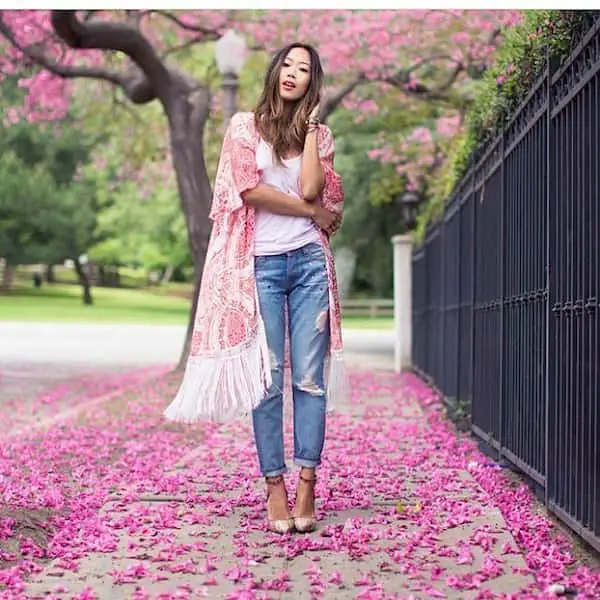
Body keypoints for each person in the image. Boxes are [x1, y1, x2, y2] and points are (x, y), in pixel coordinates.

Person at [164, 42, 348, 535]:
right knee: (266, 381)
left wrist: (310, 129)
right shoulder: (245, 127)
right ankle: (275, 486)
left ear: (313, 82)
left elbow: (311, 186)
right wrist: (311, 213)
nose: (292, 73)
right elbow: (249, 191)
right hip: (259, 266)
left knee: (309, 379)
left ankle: (307, 480)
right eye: (287, 64)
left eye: (304, 69)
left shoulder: (320, 135)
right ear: (274, 71)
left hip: (309, 263)